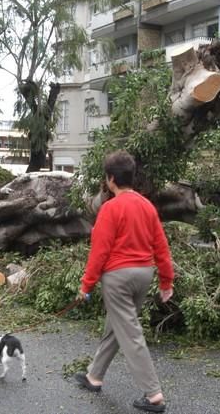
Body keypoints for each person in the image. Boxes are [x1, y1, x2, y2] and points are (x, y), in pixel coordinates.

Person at [74, 150, 174, 413]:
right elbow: (161, 247)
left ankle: (154, 395)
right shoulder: (146, 206)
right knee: (117, 325)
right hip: (143, 275)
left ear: (110, 179)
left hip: (118, 277)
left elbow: (100, 252)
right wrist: (166, 281)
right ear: (131, 177)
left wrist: (86, 286)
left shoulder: (110, 208)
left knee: (129, 333)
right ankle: (94, 377)